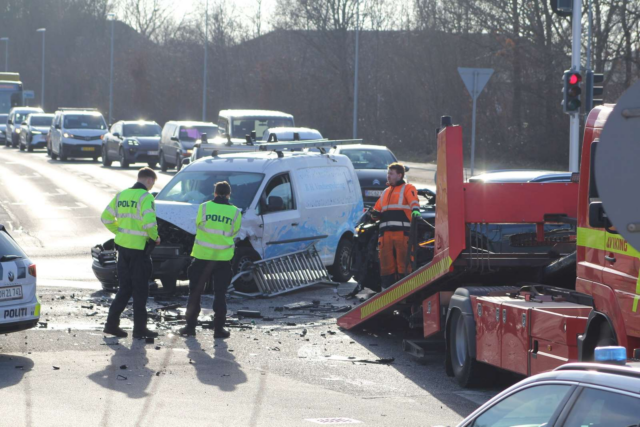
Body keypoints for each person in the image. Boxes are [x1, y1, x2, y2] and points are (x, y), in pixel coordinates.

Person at [101, 167, 161, 339]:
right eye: (152, 183)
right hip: (139, 251)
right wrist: (155, 237)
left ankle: (111, 325)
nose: (151, 187)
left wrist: (120, 232)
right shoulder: (146, 197)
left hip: (123, 248)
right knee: (140, 290)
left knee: (124, 289)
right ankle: (139, 329)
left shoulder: (121, 195)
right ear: (149, 180)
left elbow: (105, 218)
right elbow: (149, 223)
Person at [178, 181, 242, 339]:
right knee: (220, 294)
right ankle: (219, 330)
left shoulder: (204, 207)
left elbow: (198, 224)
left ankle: (190, 327)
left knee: (195, 293)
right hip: (222, 259)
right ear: (229, 194)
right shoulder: (235, 212)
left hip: (202, 257)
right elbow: (234, 232)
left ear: (214, 193)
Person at [372, 163, 420, 289]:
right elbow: (376, 211)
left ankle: (405, 293)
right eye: (388, 173)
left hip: (402, 234)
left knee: (404, 265)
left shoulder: (408, 188)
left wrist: (415, 210)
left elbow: (414, 201)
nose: (388, 176)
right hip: (385, 235)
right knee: (386, 267)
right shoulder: (385, 192)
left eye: (391, 174)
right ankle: (387, 292)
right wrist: (374, 215)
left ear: (400, 175)